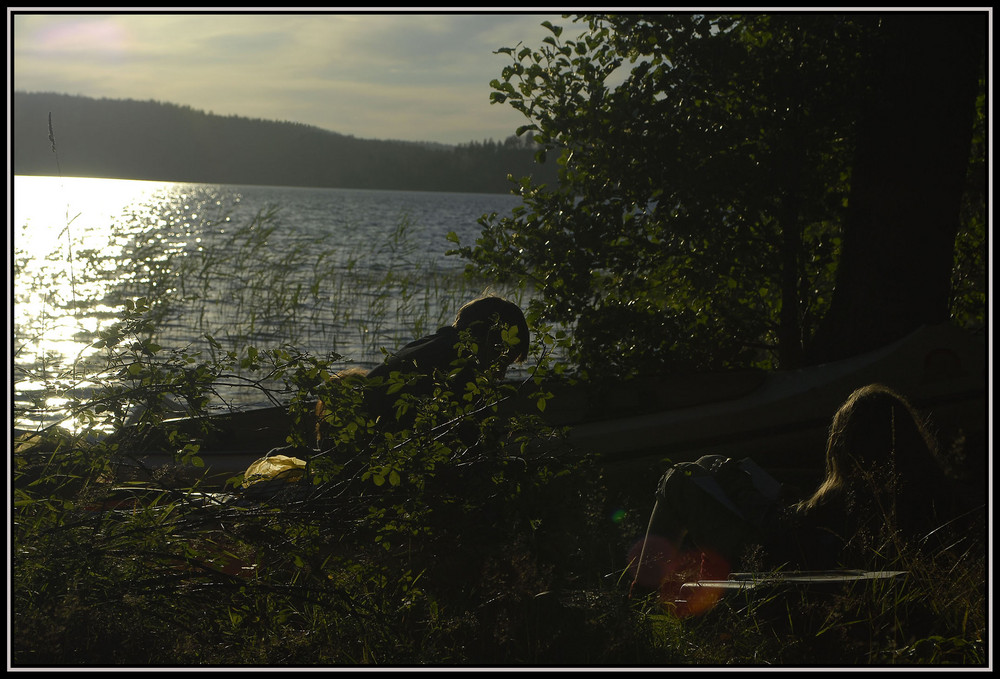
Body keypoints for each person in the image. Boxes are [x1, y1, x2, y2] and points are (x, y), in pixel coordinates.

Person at [629, 383, 968, 604]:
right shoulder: (933, 488)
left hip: (774, 568)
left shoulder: (847, 495)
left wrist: (736, 482)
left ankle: (638, 598)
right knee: (709, 462)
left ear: (844, 443)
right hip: (812, 566)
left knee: (680, 479)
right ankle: (642, 590)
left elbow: (773, 527)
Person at [315, 295, 530, 446]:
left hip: (346, 439)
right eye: (503, 360)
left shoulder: (430, 344)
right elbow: (474, 440)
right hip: (364, 451)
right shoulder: (461, 368)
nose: (501, 374)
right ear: (490, 340)